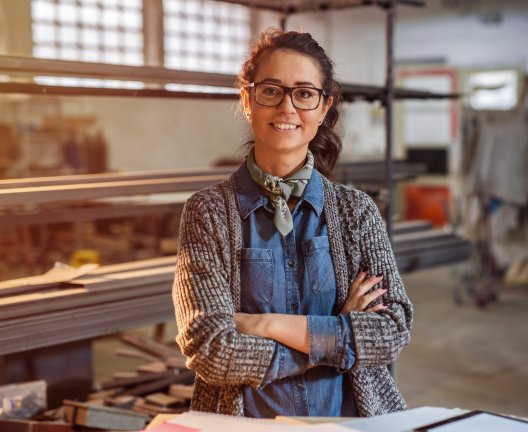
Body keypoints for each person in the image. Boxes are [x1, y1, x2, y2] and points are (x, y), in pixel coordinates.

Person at [172, 28, 413, 418]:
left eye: (304, 93)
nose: (287, 107)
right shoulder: (208, 212)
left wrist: (263, 323)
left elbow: (391, 331)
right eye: (271, 90)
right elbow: (211, 349)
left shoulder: (356, 212)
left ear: (323, 106)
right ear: (247, 100)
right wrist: (335, 335)